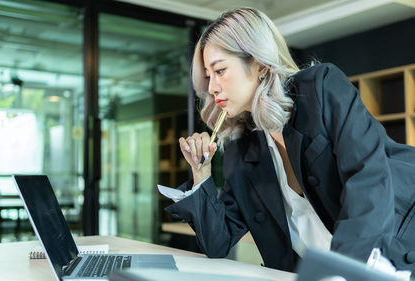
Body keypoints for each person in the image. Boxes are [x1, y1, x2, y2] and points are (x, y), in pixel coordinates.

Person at [164, 7, 415, 275]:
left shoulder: (321, 88)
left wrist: (341, 271)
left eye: (220, 70)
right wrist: (201, 173)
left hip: (394, 251)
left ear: (259, 63)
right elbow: (218, 241)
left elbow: (368, 179)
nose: (212, 87)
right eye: (208, 76)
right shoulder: (243, 146)